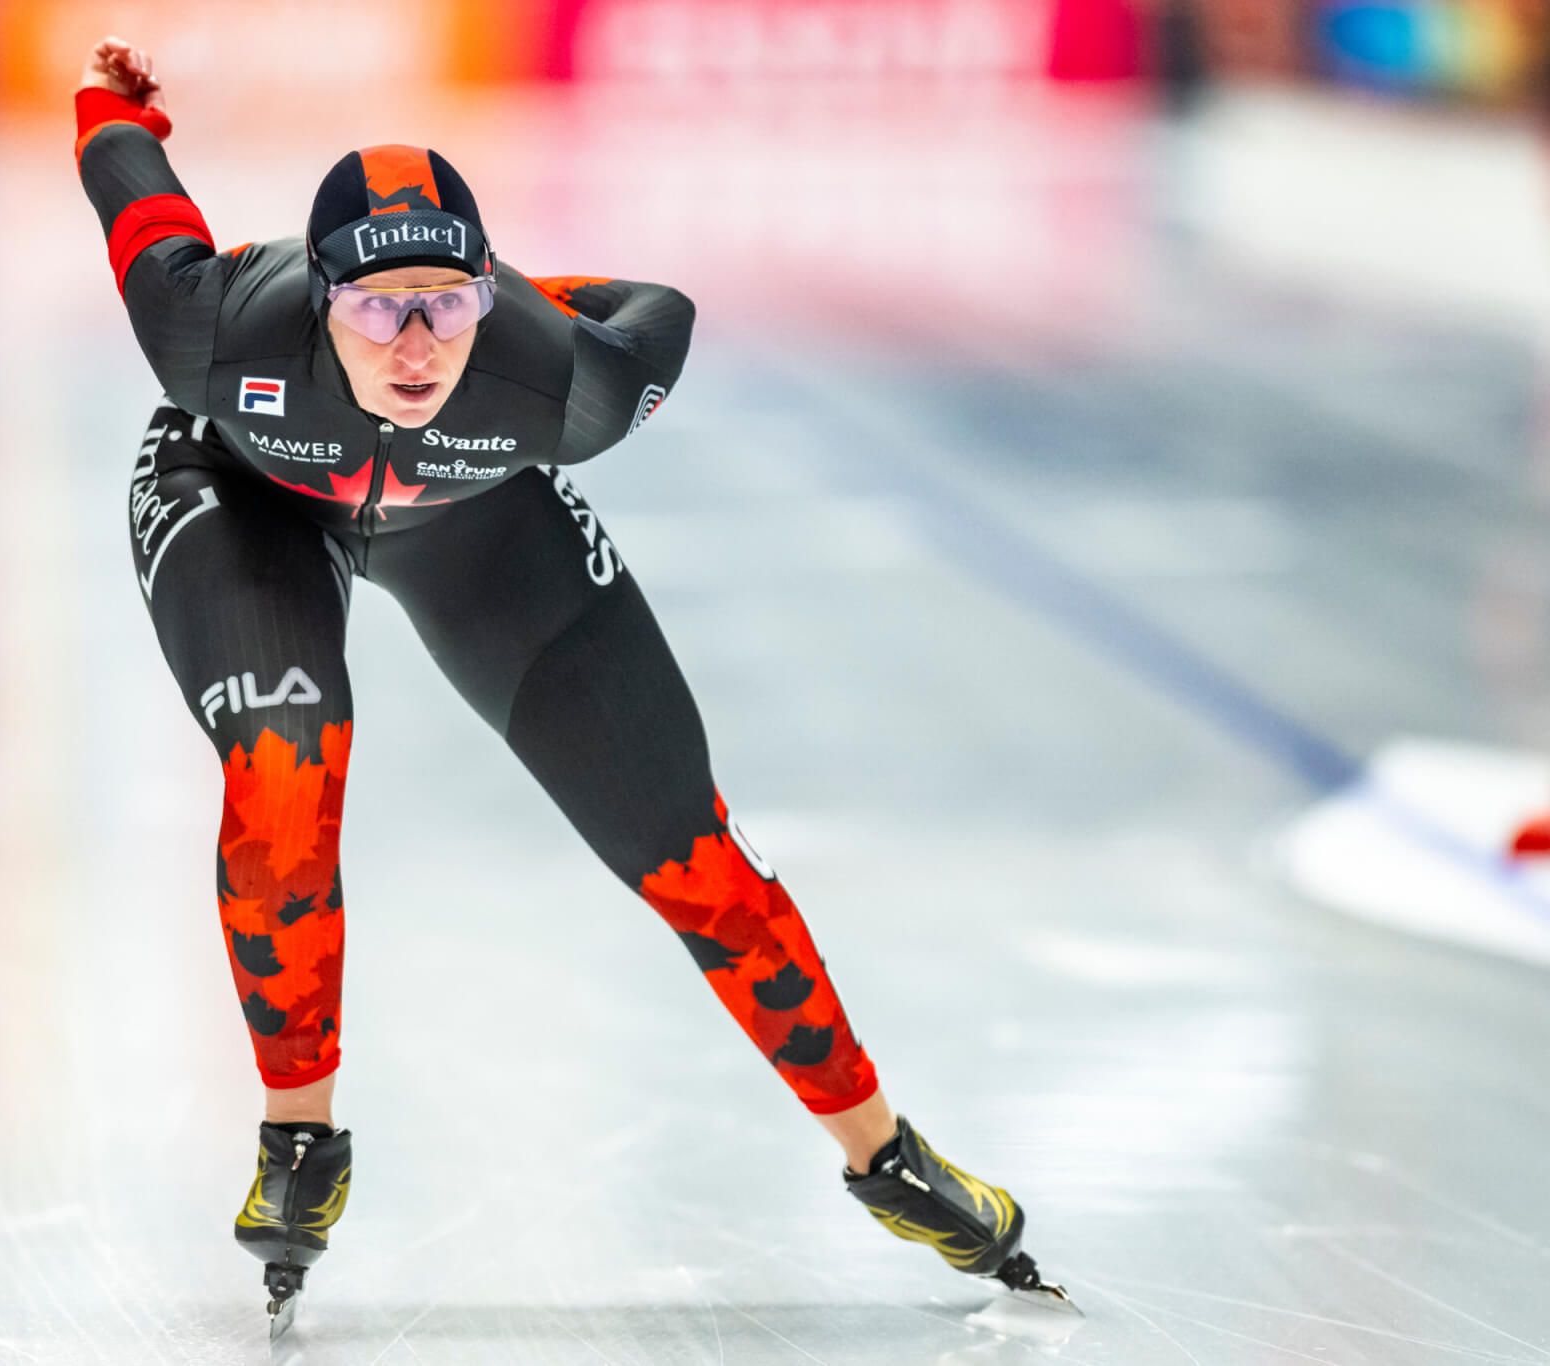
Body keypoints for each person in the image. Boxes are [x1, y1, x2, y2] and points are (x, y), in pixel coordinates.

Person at [73, 37, 1068, 1329]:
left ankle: (886, 1154)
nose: (419, 342)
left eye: (449, 301)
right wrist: (114, 102)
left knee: (689, 846)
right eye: (378, 306)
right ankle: (299, 1137)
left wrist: (529, 303)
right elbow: (134, 193)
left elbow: (666, 310)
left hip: (475, 519)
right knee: (288, 752)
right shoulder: (211, 334)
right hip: (241, 491)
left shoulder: (563, 382)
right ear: (318, 302)